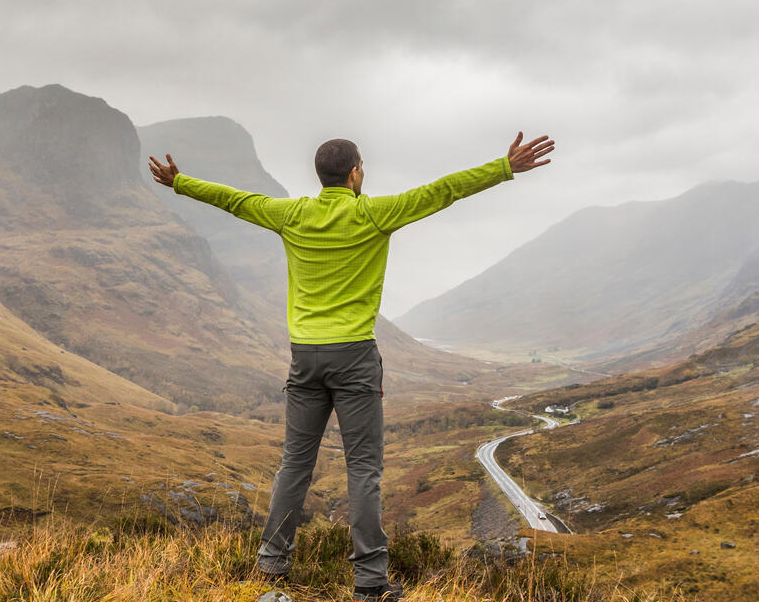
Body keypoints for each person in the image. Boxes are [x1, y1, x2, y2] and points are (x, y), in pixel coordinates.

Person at [149, 132, 555, 601]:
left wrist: (180, 182)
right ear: (356, 173)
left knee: (294, 464)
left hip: (305, 357)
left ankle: (273, 564)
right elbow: (443, 190)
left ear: (321, 175)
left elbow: (235, 201)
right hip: (356, 358)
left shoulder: (291, 214)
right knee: (363, 470)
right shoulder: (373, 213)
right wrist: (503, 168)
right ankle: (370, 583)